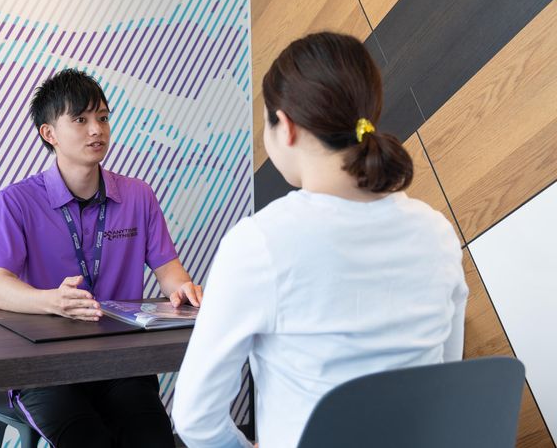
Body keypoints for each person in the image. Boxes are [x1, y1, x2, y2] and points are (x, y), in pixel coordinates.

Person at [172, 32, 467, 448]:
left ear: (286, 127)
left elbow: (195, 418)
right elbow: (446, 373)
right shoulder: (436, 233)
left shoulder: (259, 243)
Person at [0, 68, 203, 448]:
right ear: (49, 133)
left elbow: (168, 268)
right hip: (45, 367)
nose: (97, 130)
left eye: (102, 117)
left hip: (121, 363)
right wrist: (52, 301)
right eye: (81, 120)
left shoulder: (138, 195)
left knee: (152, 439)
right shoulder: (16, 201)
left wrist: (183, 289)